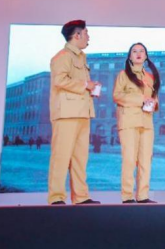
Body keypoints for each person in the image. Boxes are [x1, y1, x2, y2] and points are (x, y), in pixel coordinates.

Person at [47, 20, 100, 205]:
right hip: (66, 115)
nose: (88, 37)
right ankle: (56, 198)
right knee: (61, 157)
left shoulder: (81, 57)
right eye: (86, 33)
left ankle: (81, 197)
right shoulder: (62, 57)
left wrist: (91, 89)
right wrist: (85, 85)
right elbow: (59, 80)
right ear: (77, 35)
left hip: (82, 113)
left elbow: (76, 84)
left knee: (80, 159)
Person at [113, 43, 160, 204]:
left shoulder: (150, 77)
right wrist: (141, 99)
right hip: (129, 121)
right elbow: (117, 96)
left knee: (146, 160)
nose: (138, 54)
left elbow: (154, 97)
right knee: (129, 159)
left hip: (146, 122)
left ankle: (143, 195)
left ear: (146, 56)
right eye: (134, 51)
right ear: (130, 56)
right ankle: (127, 196)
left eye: (141, 51)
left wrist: (154, 103)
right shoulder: (123, 75)